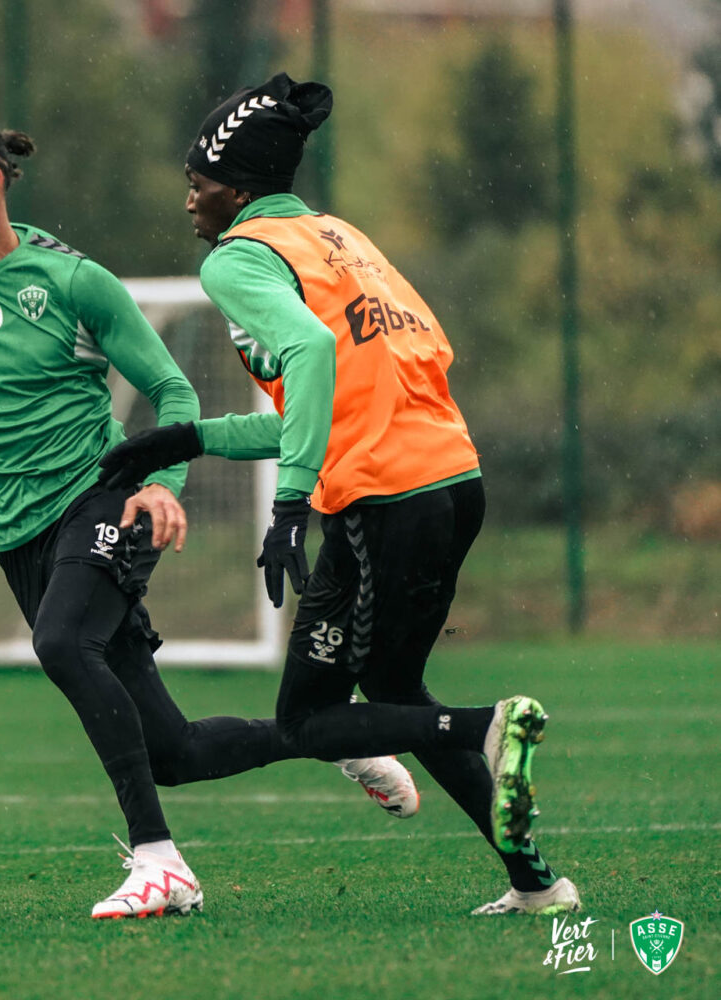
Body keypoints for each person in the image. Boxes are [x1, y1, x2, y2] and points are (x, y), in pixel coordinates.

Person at [0, 112, 419, 920]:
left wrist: (162, 485)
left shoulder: (75, 281)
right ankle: (339, 736)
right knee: (174, 751)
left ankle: (160, 861)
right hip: (18, 535)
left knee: (59, 642)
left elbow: (174, 394)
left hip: (101, 497)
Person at [99, 73, 581, 915]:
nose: (190, 201)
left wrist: (291, 508)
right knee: (395, 688)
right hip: (452, 479)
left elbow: (314, 359)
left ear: (237, 189)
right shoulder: (335, 236)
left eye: (198, 183)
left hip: (381, 500)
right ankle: (539, 884)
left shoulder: (238, 258)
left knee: (310, 723)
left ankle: (486, 726)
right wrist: (192, 437)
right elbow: (344, 396)